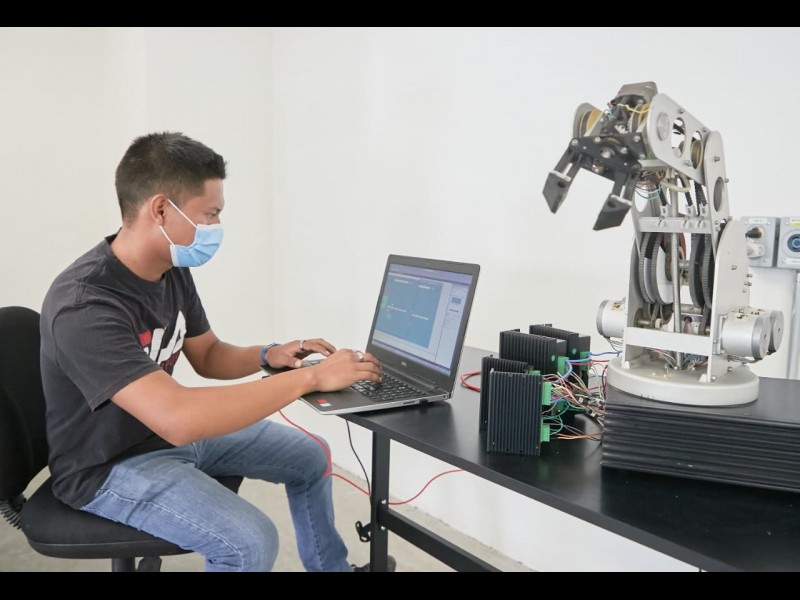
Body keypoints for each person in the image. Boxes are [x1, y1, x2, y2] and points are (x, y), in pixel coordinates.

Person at [39, 131, 393, 572]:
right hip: (106, 468)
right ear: (161, 210)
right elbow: (178, 418)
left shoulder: (170, 268)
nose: (216, 226)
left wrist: (269, 354)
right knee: (249, 543)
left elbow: (208, 355)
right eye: (210, 214)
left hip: (164, 438)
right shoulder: (85, 305)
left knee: (311, 456)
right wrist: (313, 377)